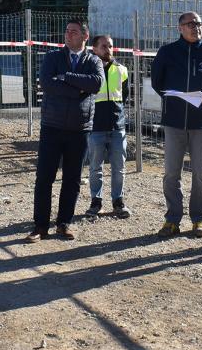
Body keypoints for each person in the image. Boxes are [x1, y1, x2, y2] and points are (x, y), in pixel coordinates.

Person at [150, 11, 202, 238]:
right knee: (172, 174)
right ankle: (172, 219)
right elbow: (157, 82)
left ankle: (199, 219)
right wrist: (174, 97)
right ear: (180, 27)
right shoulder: (167, 52)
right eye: (190, 24)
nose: (196, 27)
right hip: (173, 122)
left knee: (201, 174)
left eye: (199, 24)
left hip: (201, 123)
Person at [30, 19, 104, 242]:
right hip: (52, 126)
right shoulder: (53, 57)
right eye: (67, 31)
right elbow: (46, 83)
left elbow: (96, 83)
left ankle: (64, 223)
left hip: (79, 129)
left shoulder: (93, 60)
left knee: (72, 179)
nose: (68, 35)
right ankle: (40, 226)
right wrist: (78, 90)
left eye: (73, 32)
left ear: (85, 36)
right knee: (44, 177)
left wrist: (67, 77)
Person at [86, 34, 131, 219]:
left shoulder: (122, 69)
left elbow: (125, 95)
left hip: (117, 127)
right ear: (94, 49)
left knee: (119, 167)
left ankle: (118, 202)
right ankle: (96, 202)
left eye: (110, 46)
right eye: (104, 46)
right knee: (95, 167)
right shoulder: (88, 70)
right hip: (95, 127)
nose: (108, 49)